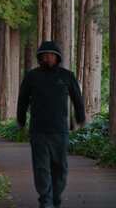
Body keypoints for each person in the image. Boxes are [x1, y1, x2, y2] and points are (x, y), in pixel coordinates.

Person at [17, 41, 85, 208]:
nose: (48, 58)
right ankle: (45, 200)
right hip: (38, 131)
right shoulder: (32, 76)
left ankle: (56, 197)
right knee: (41, 168)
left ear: (57, 57)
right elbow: (23, 99)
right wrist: (21, 119)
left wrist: (80, 117)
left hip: (60, 131)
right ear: (40, 57)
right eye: (44, 55)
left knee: (60, 168)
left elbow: (77, 98)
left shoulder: (67, 76)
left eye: (51, 55)